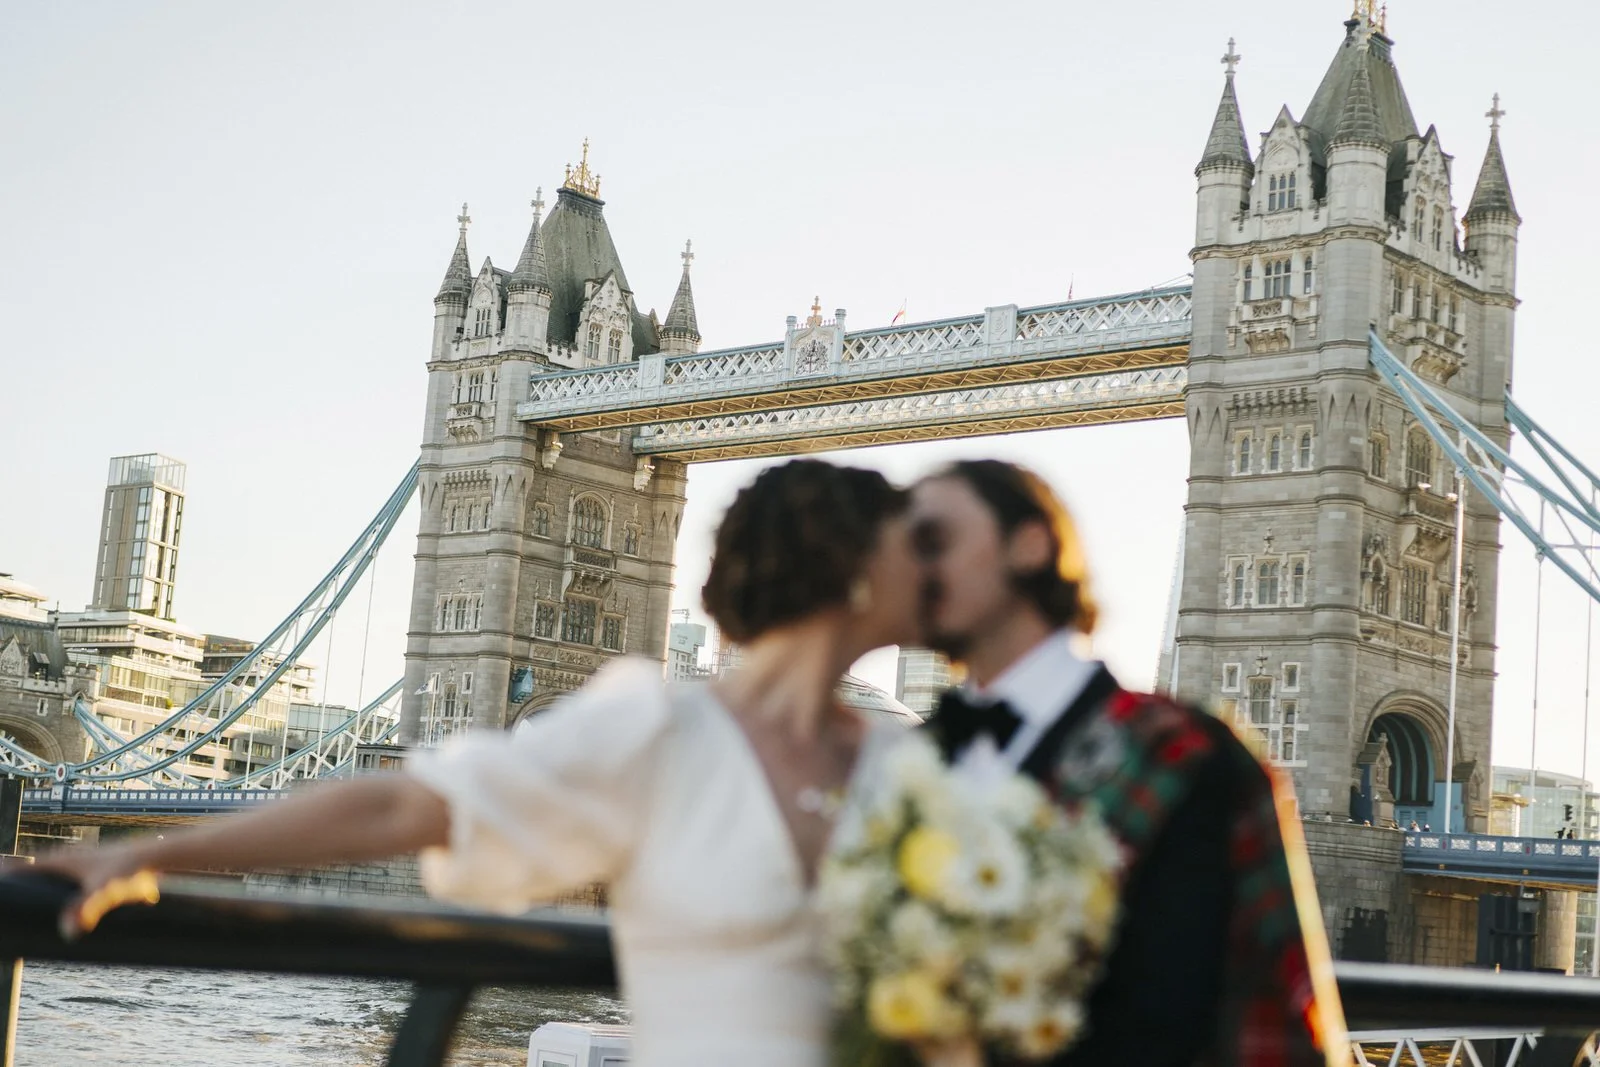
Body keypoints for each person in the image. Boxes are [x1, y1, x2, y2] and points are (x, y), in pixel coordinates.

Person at [33, 458, 925, 1067]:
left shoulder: (912, 757)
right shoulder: (652, 733)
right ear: (850, 574)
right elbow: (396, 808)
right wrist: (143, 853)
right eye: (908, 549)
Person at [909, 459, 1348, 1067]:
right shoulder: (904, 764)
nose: (912, 568)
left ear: (1029, 545)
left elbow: (1271, 1016)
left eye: (935, 540)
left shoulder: (1190, 756)